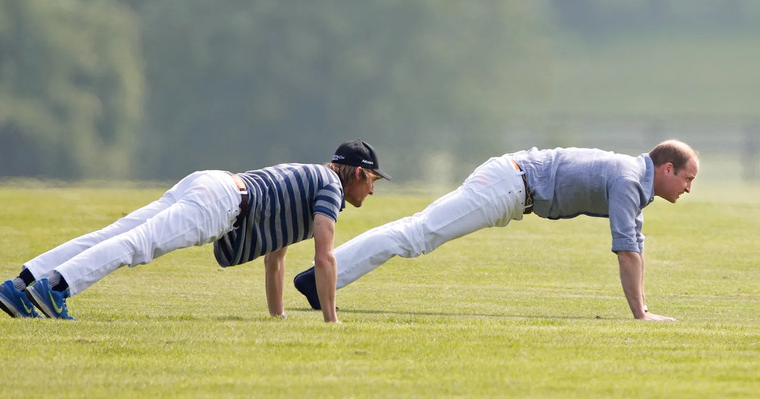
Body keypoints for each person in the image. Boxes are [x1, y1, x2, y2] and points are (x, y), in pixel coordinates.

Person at [0, 139, 390, 323]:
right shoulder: (331, 187)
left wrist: (277, 317)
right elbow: (325, 257)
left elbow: (276, 258)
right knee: (136, 244)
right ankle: (56, 287)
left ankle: (21, 284)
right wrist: (331, 321)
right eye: (372, 179)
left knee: (113, 232)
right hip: (224, 203)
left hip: (212, 182)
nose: (372, 188)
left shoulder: (312, 176)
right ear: (357, 172)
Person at [294, 139, 698, 322]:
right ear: (666, 169)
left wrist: (642, 310)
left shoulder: (634, 181)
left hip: (511, 184)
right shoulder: (630, 180)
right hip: (507, 184)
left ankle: (319, 281)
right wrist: (641, 314)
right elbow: (626, 251)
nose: (688, 189)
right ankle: (318, 281)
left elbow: (635, 246)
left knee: (415, 233)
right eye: (687, 179)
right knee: (416, 236)